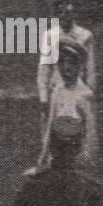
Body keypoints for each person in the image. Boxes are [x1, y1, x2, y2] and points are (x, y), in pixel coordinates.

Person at [35, 42, 97, 171]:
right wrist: (43, 157)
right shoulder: (58, 91)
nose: (66, 68)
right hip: (57, 155)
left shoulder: (85, 95)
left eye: (71, 63)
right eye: (61, 63)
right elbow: (50, 126)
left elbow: (90, 132)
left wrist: (86, 160)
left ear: (80, 66)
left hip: (76, 158)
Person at [37, 0, 96, 108]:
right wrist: (44, 98)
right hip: (56, 90)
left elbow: (90, 67)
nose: (64, 16)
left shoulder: (85, 35)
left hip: (79, 90)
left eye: (67, 12)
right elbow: (44, 69)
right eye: (60, 12)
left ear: (73, 13)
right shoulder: (50, 35)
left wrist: (91, 90)